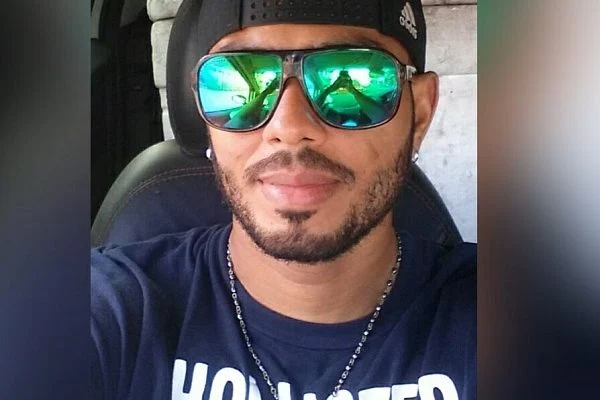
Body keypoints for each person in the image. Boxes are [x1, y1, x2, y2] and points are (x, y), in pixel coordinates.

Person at [91, 0, 476, 399]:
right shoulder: (114, 310)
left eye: (356, 78)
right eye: (241, 84)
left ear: (419, 115)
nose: (289, 127)